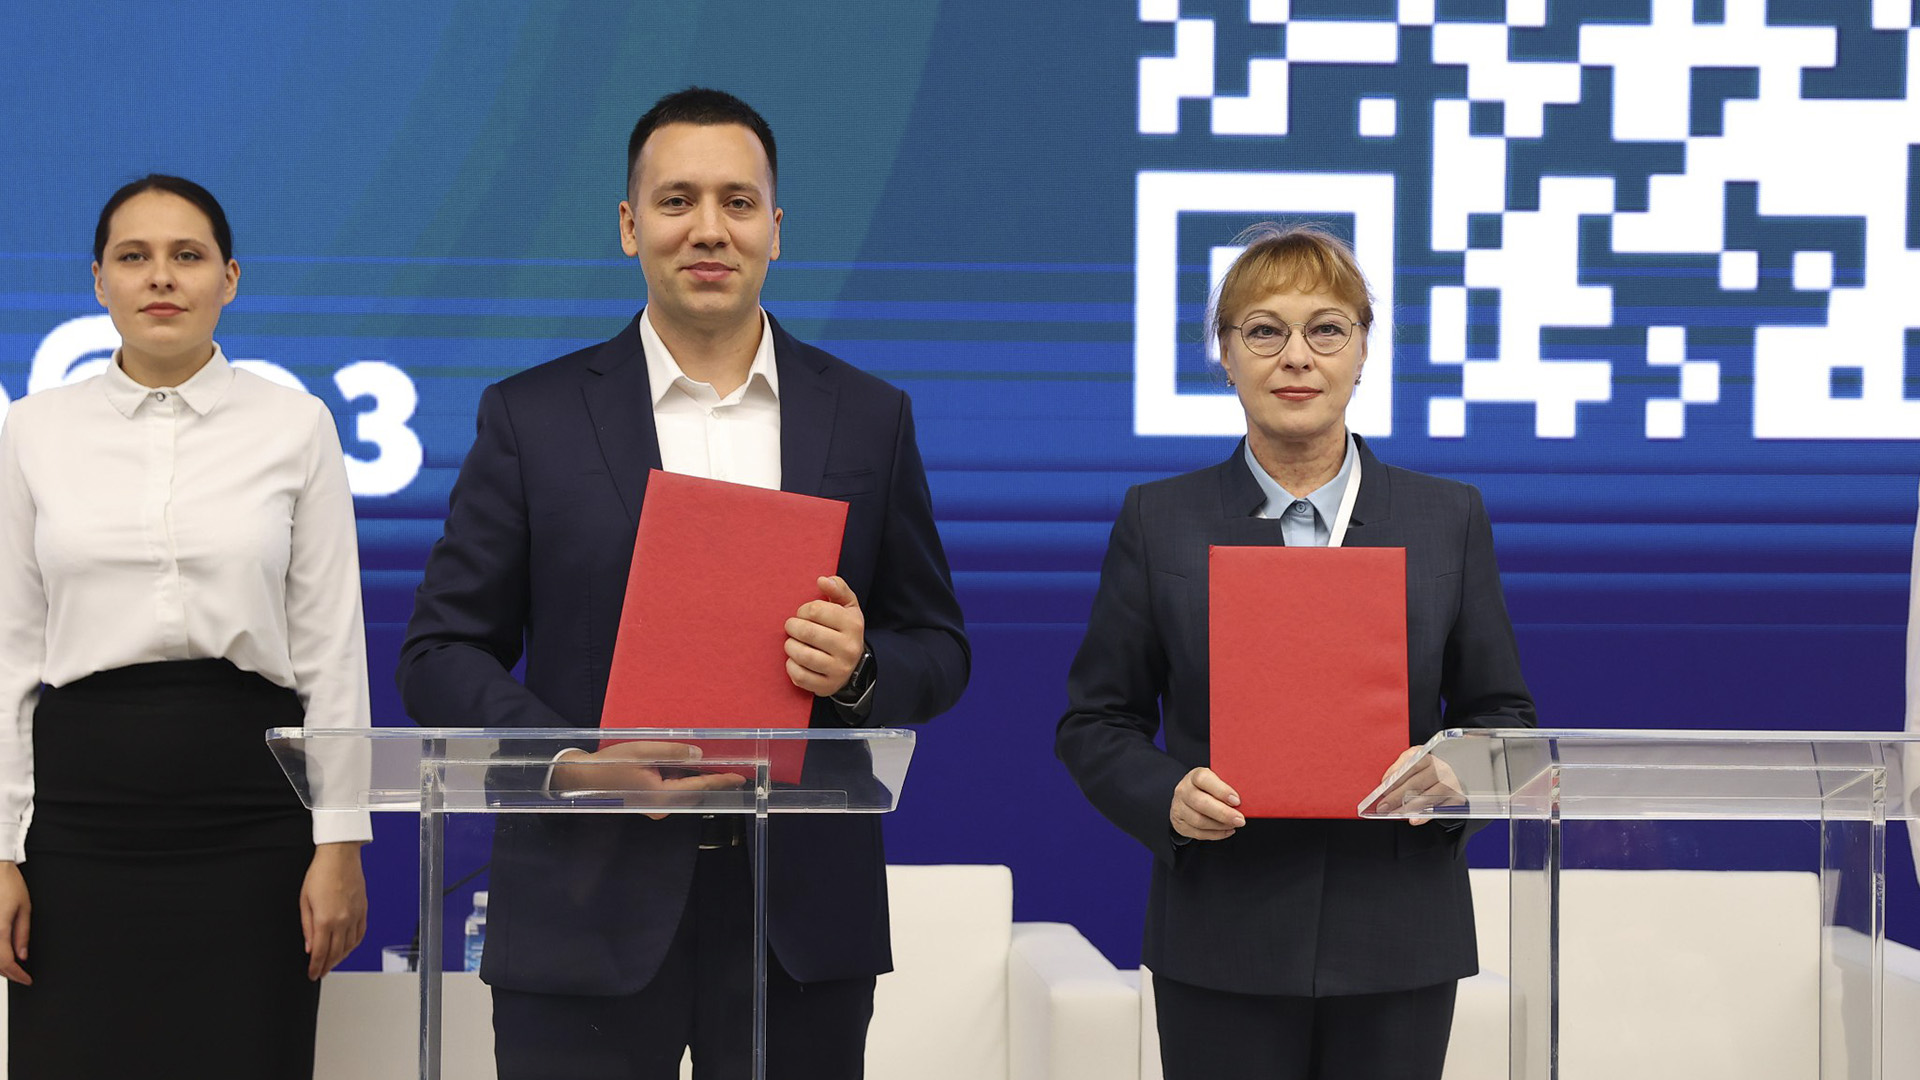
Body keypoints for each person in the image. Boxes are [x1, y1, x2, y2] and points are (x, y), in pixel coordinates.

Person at [396, 87, 969, 1079]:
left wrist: (860, 669)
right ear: (630, 227)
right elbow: (440, 652)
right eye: (677, 201)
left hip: (800, 920)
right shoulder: (532, 417)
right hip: (582, 907)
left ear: (776, 228)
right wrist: (569, 760)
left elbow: (939, 646)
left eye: (738, 202)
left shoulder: (869, 417)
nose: (710, 229)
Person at [1055, 224, 1535, 1080]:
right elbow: (1096, 722)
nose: (1297, 357)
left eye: (1327, 329)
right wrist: (1168, 796)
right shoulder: (1160, 520)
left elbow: (1502, 714)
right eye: (1264, 331)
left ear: (1364, 351)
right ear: (1226, 356)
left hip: (1400, 935)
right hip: (1222, 934)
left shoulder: (1447, 518)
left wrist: (1454, 774)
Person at [0, 174, 372, 1078]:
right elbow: (8, 651)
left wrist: (340, 840)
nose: (161, 277)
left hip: (253, 813)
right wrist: (0, 850)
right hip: (77, 822)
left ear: (229, 279)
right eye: (134, 257)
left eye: (188, 255)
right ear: (99, 281)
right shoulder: (32, 432)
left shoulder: (297, 426)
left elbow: (331, 646)